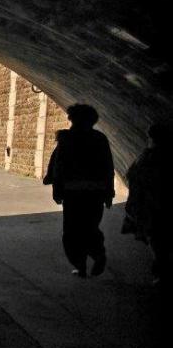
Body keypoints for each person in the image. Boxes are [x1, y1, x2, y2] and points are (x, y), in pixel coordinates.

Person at [43, 104, 114, 278]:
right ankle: (98, 254)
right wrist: (108, 192)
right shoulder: (99, 138)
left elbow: (59, 166)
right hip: (95, 193)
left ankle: (80, 265)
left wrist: (56, 189)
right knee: (90, 226)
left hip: (73, 193)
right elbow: (107, 167)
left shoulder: (67, 138)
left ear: (72, 119)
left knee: (72, 231)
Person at [123, 122, 173, 285]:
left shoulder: (149, 155)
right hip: (159, 202)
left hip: (152, 204)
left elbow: (133, 176)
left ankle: (162, 271)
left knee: (156, 239)